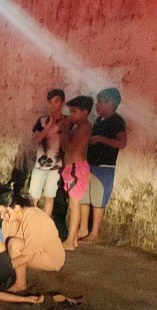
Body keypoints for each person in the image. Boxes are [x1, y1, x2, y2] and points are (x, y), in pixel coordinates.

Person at [81, 87, 127, 243]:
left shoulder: (117, 121)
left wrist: (101, 139)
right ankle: (84, 229)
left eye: (100, 102)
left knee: (99, 200)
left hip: (105, 167)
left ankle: (95, 233)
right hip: (91, 164)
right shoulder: (99, 121)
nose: (97, 106)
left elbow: (122, 143)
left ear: (110, 103)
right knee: (87, 197)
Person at [0, 194, 65, 292]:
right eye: (0, 213)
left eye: (4, 212)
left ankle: (20, 284)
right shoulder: (8, 220)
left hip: (49, 257)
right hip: (30, 252)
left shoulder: (34, 217)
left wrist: (3, 268)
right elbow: (2, 247)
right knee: (9, 247)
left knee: (14, 244)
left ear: (16, 208)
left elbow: (28, 256)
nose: (2, 216)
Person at [59, 95, 93, 250]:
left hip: (76, 169)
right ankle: (72, 240)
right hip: (72, 168)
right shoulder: (79, 127)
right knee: (74, 204)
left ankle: (71, 240)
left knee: (74, 205)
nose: (71, 115)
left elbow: (69, 148)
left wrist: (65, 130)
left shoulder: (85, 127)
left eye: (74, 112)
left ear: (85, 112)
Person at [28, 89, 66, 216]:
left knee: (50, 197)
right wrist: (49, 124)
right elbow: (35, 141)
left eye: (56, 101)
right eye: (50, 102)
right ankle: (31, 224)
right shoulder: (41, 121)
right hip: (39, 165)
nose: (53, 105)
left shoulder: (67, 122)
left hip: (56, 167)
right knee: (33, 197)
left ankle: (45, 227)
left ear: (62, 102)